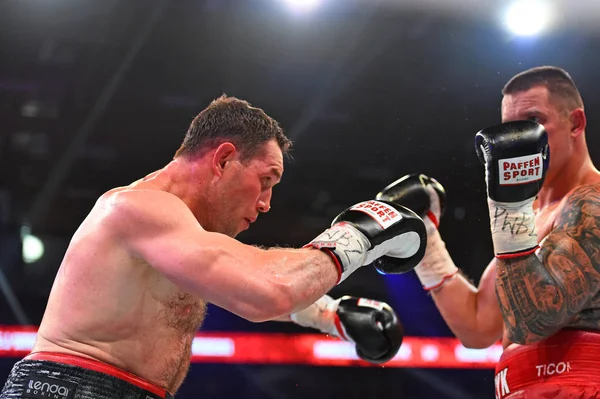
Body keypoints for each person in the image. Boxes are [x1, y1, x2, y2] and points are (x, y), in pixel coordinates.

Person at [0, 95, 426, 399]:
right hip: (69, 388)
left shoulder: (178, 233)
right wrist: (358, 235)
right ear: (223, 159)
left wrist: (330, 315)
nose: (266, 204)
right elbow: (264, 291)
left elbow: (241, 282)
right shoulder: (136, 208)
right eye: (266, 180)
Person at [377, 66, 600, 398]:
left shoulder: (592, 204)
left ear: (576, 123)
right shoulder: (532, 217)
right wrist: (427, 245)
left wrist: (507, 207)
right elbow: (479, 326)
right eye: (511, 128)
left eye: (535, 121)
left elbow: (533, 320)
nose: (520, 139)